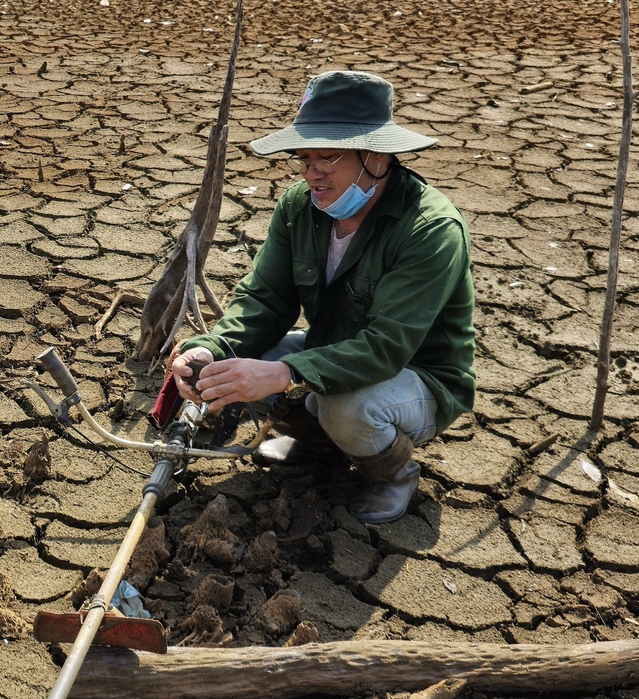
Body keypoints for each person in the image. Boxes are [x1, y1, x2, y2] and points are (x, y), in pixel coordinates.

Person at [168, 70, 476, 524]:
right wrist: (209, 348)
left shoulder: (429, 229)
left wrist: (284, 372)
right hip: (331, 352)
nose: (312, 173)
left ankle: (393, 473)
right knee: (236, 364)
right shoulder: (299, 208)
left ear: (375, 155)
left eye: (327, 158)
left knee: (345, 405)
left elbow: (386, 347)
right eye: (303, 158)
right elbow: (264, 300)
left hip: (416, 377)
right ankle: (317, 445)